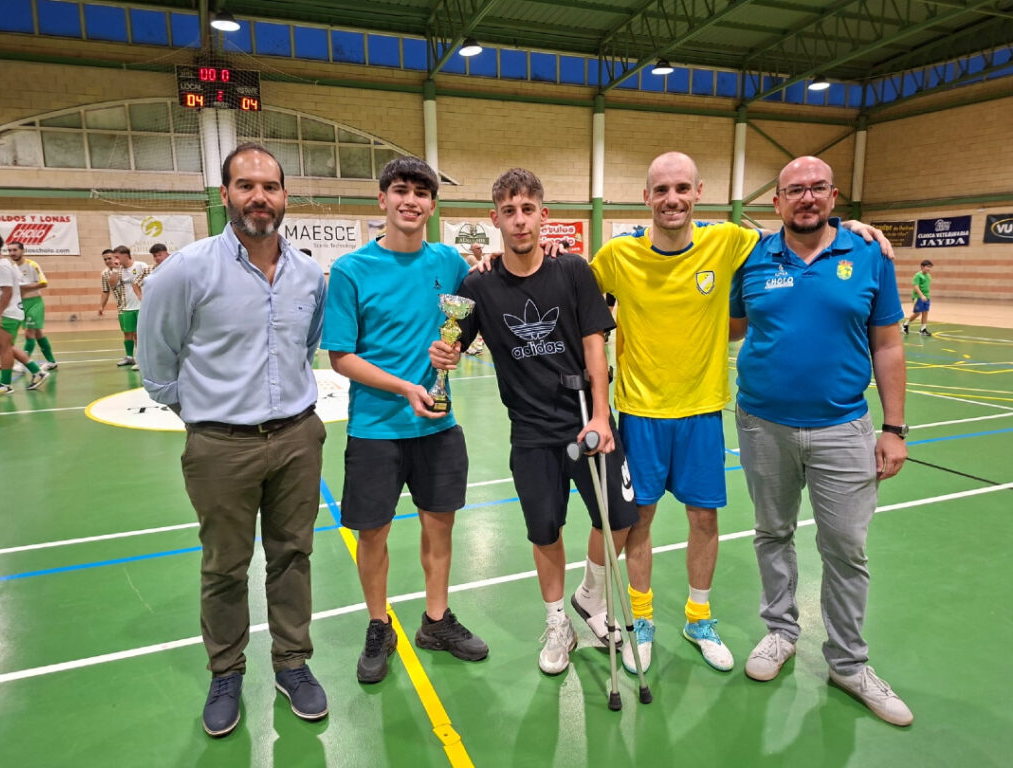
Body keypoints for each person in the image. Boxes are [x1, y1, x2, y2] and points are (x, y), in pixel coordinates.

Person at [588, 151, 893, 676]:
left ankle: (698, 619)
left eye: (681, 188)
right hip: (639, 411)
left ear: (698, 193)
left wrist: (849, 227)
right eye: (661, 190)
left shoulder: (729, 241)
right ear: (646, 198)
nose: (672, 199)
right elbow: (571, 289)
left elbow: (800, 230)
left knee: (703, 519)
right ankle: (642, 618)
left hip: (704, 410)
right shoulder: (617, 254)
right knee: (640, 520)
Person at [138, 143, 329, 737]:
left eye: (269, 186)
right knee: (224, 567)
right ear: (225, 195)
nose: (258, 197)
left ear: (284, 196)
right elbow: (157, 367)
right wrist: (207, 419)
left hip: (297, 437)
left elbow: (307, 347)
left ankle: (292, 662)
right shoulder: (185, 271)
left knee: (292, 556)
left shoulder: (308, 274)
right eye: (245, 186)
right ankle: (226, 672)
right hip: (220, 445)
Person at [729, 156, 913, 727]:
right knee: (772, 533)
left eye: (816, 189)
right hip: (763, 425)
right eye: (794, 190)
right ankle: (780, 633)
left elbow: (888, 344)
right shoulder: (751, 257)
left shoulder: (869, 254)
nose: (806, 198)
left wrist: (894, 428)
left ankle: (849, 664)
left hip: (844, 429)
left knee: (846, 549)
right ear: (776, 202)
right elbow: (729, 326)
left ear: (834, 197)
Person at [439, 168, 638, 674]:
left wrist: (601, 415)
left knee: (619, 518)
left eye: (528, 209)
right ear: (495, 219)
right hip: (529, 432)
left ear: (543, 215)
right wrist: (445, 354)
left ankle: (590, 595)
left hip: (584, 420)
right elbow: (456, 344)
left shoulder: (572, 271)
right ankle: (557, 623)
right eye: (509, 211)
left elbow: (595, 345)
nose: (519, 220)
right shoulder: (478, 284)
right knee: (545, 531)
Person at [322, 156, 488, 685]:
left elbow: (474, 308)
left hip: (438, 427)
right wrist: (405, 387)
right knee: (372, 534)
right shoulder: (351, 270)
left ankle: (436, 620)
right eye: (400, 190)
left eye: (421, 192)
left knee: (440, 527)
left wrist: (455, 348)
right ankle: (379, 624)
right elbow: (341, 357)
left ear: (432, 205)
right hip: (375, 429)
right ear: (383, 199)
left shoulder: (449, 262)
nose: (410, 200)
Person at [0, 232, 49, 395]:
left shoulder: (2, 266)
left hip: (5, 314)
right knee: (7, 347)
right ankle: (37, 372)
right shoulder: (3, 265)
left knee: (5, 348)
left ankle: (5, 384)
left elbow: (7, 292)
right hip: (4, 312)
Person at [7, 242, 58, 371]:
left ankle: (24, 363)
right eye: (10, 250)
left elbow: (44, 283)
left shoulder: (32, 265)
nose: (12, 253)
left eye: (15, 250)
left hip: (35, 303)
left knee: (29, 333)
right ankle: (51, 362)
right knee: (38, 334)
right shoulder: (12, 268)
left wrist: (25, 287)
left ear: (22, 251)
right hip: (21, 304)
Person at [112, 245, 151, 369]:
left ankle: (142, 360)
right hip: (126, 306)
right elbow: (112, 284)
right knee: (127, 332)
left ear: (126, 255)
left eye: (117, 257)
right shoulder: (118, 270)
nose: (115, 260)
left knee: (139, 335)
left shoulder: (141, 266)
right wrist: (115, 270)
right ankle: (129, 357)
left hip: (141, 306)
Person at [903, 259, 933, 336]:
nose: (929, 268)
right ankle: (905, 324)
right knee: (917, 313)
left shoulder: (928, 276)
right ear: (922, 267)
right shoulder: (918, 275)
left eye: (930, 267)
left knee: (925, 312)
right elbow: (916, 287)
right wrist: (921, 295)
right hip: (918, 297)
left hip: (927, 297)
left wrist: (926, 296)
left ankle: (923, 329)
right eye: (927, 266)